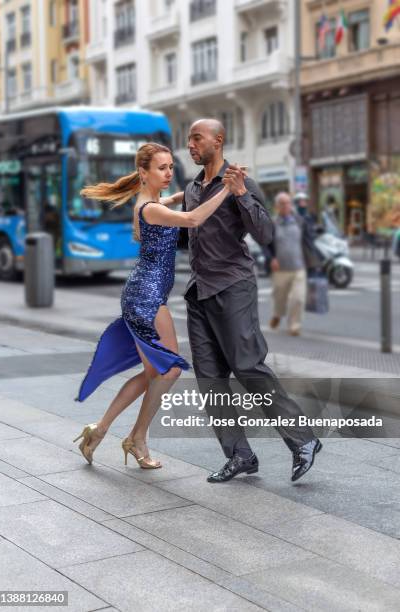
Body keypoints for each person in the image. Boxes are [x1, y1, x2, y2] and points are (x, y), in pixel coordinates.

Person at [73, 142, 231, 469]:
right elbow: (193, 218)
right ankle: (135, 437)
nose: (169, 172)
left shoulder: (149, 203)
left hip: (146, 293)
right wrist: (226, 189)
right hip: (146, 296)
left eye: (171, 167)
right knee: (168, 369)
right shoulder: (150, 209)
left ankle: (102, 431)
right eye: (162, 168)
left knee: (153, 373)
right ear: (143, 173)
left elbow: (173, 203)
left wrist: (180, 193)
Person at [183, 119, 322, 483]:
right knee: (209, 378)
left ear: (219, 140)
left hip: (233, 285)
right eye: (189, 140)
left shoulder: (238, 180)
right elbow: (189, 235)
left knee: (248, 367)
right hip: (199, 291)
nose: (191, 145)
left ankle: (303, 440)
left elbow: (265, 233)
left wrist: (242, 193)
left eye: (197, 138)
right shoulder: (192, 187)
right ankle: (240, 455)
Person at [267, 192, 320, 336]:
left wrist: (315, 262)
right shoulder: (272, 223)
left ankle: (294, 326)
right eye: (282, 203)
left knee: (298, 298)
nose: (286, 206)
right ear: (277, 206)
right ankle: (277, 315)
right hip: (280, 269)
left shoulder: (299, 221)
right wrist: (272, 258)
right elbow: (266, 244)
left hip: (298, 267)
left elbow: (309, 242)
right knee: (279, 298)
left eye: (288, 203)